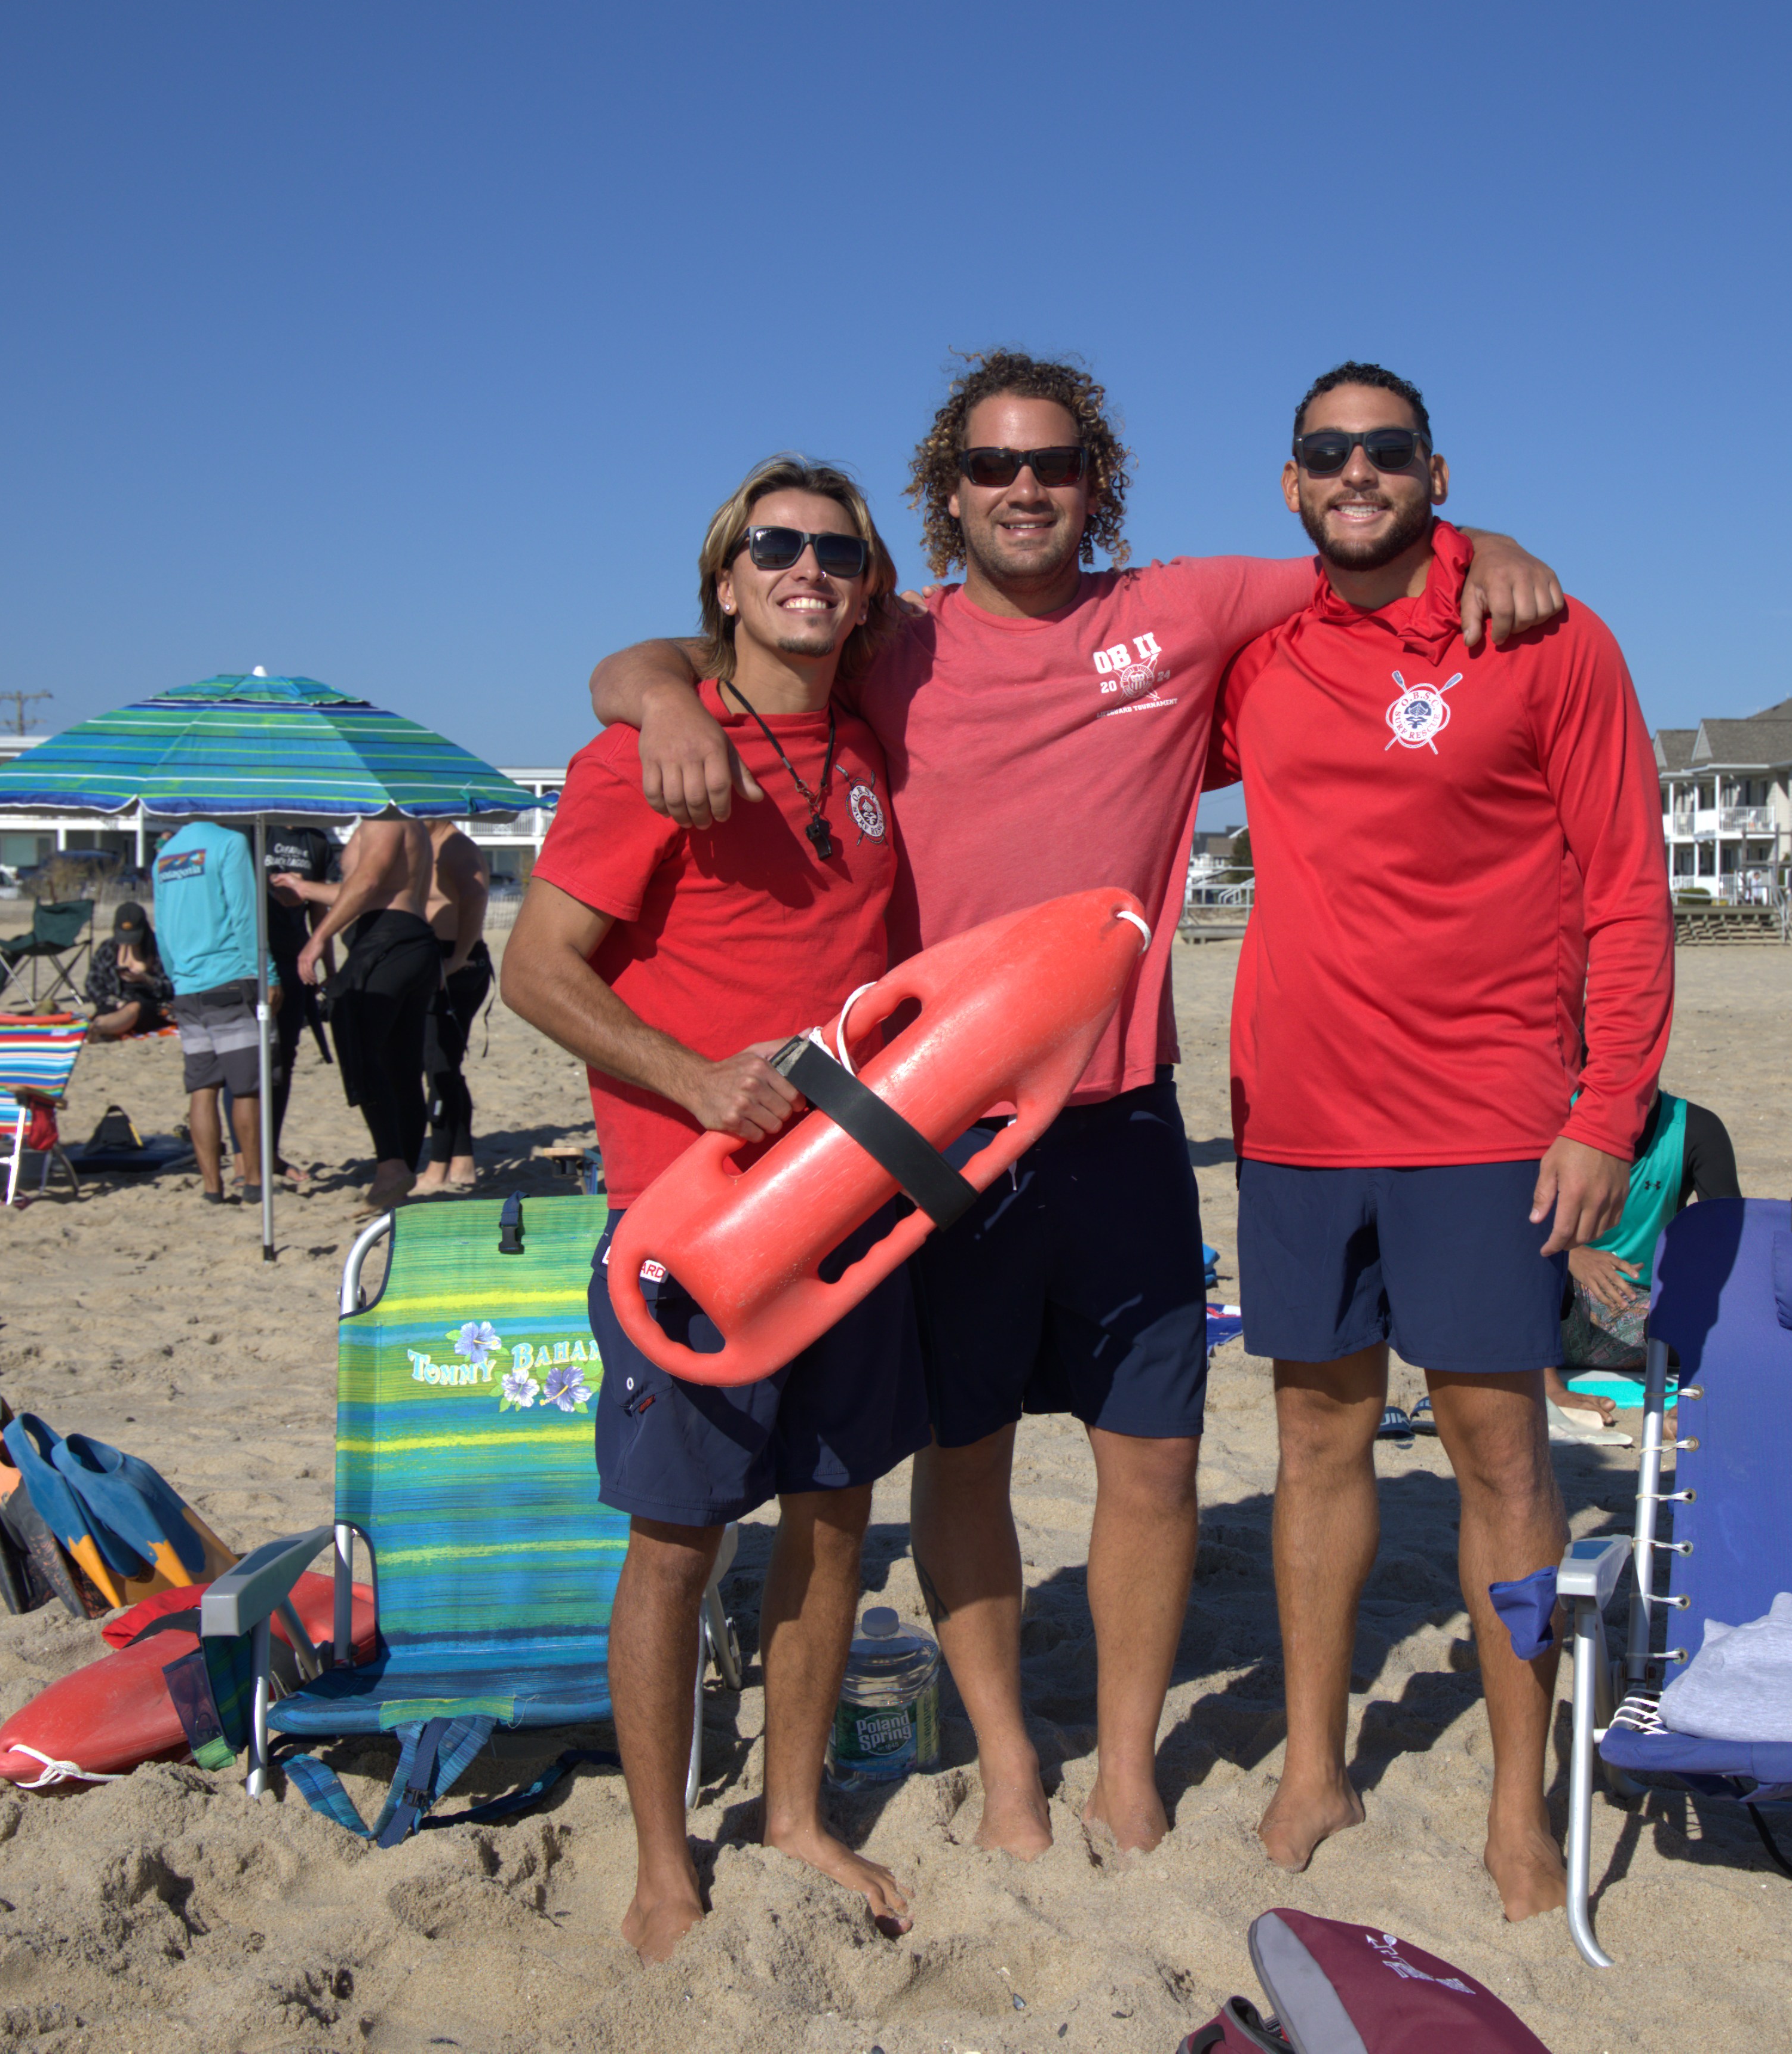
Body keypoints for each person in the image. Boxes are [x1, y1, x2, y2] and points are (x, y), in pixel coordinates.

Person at [587, 349, 1570, 1860]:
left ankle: (1122, 1765)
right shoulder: (883, 635)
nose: (1024, 490)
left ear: (1095, 487)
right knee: (960, 1458)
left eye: (1052, 466)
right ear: (948, 496)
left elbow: (1366, 558)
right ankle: (1012, 1765)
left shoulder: (1180, 611)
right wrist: (652, 688)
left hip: (1117, 1120)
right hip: (931, 1140)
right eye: (992, 468)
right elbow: (675, 653)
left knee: (1153, 1463)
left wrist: (1484, 544)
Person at [1216, 362, 1672, 1919]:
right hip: (1296, 1116)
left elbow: (1626, 888)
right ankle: (1312, 1758)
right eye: (1328, 451)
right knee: (1318, 1438)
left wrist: (1607, 1110)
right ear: (1291, 484)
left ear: (1436, 468)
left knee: (1498, 1445)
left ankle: (1517, 1798)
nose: (1358, 470)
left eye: (1387, 449)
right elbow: (1079, 681)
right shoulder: (1259, 653)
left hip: (1489, 1121)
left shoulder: (1548, 631)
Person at [499, 455, 922, 1960]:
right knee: (679, 1539)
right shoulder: (644, 756)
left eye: (837, 551)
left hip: (854, 1214)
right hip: (693, 1219)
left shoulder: (869, 749)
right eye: (775, 547)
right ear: (726, 583)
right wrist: (691, 1081)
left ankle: (796, 1812)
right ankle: (663, 1856)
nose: (807, 568)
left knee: (830, 1521)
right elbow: (536, 970)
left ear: (867, 588)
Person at [279, 811, 438, 1211]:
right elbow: (368, 888)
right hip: (414, 942)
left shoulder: (384, 817)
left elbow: (367, 883)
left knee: (359, 1045)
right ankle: (400, 1167)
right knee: (400, 1065)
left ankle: (391, 1165)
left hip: (388, 941)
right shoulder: (410, 822)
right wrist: (304, 888)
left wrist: (318, 938)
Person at [1556, 1090, 1741, 1379]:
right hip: (1555, 1291)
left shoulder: (1695, 1128)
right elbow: (1502, 1221)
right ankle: (1547, 1385)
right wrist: (1571, 1254)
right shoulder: (1550, 1115)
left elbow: (1729, 1242)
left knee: (1727, 1333)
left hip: (1642, 1304)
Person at [148, 820, 267, 1207]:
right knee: (247, 1085)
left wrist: (177, 975)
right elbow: (244, 915)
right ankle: (252, 1181)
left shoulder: (165, 856)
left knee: (202, 1088)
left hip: (186, 984)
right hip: (230, 976)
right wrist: (265, 972)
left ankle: (211, 1187)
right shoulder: (230, 843)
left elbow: (162, 931)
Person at [258, 822, 337, 1192]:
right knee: (246, 1062)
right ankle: (250, 1156)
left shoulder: (315, 841)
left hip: (294, 958)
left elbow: (320, 912)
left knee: (282, 1060)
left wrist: (330, 968)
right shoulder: (256, 830)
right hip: (252, 956)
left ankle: (268, 1152)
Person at [416, 820, 492, 1195]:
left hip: (457, 963)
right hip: (443, 960)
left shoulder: (455, 847)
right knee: (443, 1065)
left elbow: (476, 896)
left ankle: (438, 1167)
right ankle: (462, 1161)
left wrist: (457, 958)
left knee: (440, 1066)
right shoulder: (427, 843)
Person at [83, 902, 171, 1041]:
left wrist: (146, 979)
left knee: (134, 1008)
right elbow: (92, 983)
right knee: (104, 1015)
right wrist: (114, 1002)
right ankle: (100, 1027)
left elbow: (172, 987)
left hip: (149, 1001)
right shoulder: (108, 949)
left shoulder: (158, 949)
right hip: (114, 1000)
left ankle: (102, 1029)